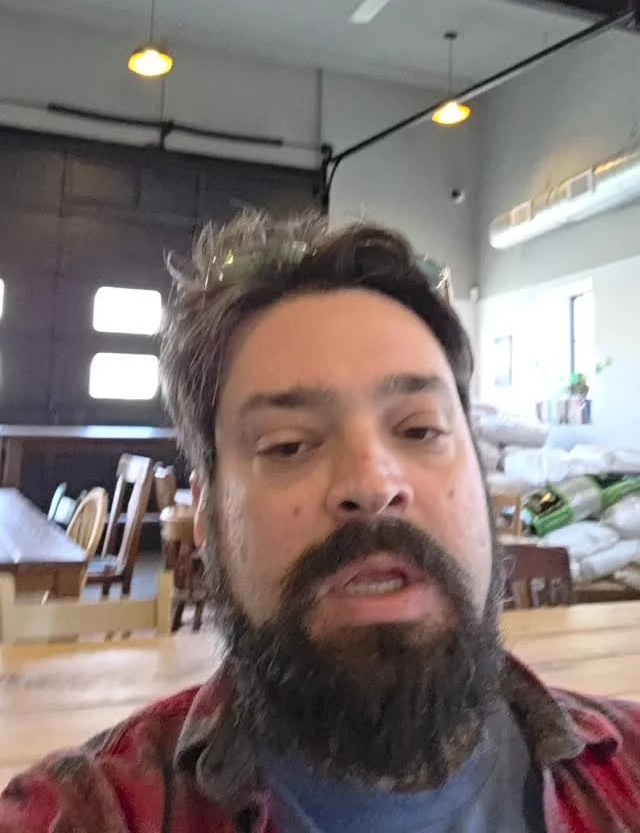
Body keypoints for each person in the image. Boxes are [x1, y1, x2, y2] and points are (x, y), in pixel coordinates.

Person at [1, 213, 639, 833]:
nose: (372, 484)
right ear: (208, 517)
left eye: (420, 430)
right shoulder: (88, 813)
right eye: (288, 445)